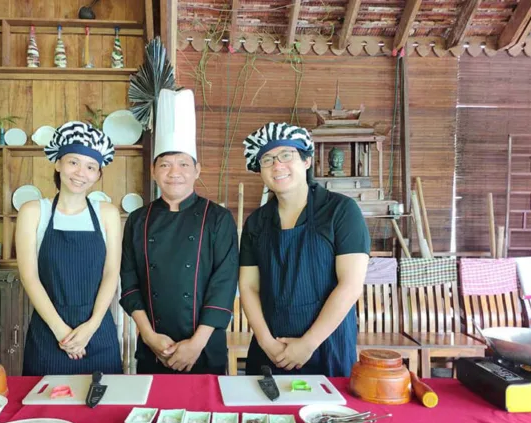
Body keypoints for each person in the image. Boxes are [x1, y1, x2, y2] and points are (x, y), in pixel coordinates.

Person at [120, 89, 238, 374]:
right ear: (153, 171)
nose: (175, 172)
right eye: (165, 164)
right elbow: (130, 283)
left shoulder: (218, 218)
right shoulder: (138, 220)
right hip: (153, 347)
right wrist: (149, 337)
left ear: (197, 170)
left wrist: (195, 344)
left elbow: (224, 286)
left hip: (205, 348)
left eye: (184, 164)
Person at [239, 122, 370, 376]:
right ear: (260, 170)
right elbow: (248, 286)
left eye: (286, 155)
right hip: (269, 350)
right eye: (267, 159)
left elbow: (350, 285)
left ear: (306, 161)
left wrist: (307, 344)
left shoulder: (341, 212)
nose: (277, 165)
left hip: (327, 349)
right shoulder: (256, 222)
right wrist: (267, 342)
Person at [17, 121, 123, 375]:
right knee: (44, 407)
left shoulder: (107, 214)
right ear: (58, 163)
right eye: (73, 162)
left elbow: (111, 274)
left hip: (98, 331)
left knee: (105, 408)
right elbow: (29, 277)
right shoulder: (33, 211)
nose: (80, 173)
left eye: (90, 166)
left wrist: (91, 326)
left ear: (98, 174)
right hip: (49, 332)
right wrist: (61, 332)